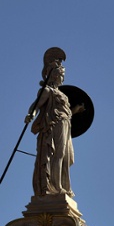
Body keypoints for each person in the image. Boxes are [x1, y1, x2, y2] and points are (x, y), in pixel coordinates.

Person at [25, 57, 84, 198]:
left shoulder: (61, 93)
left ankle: (62, 186)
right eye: (61, 74)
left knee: (64, 157)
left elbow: (64, 111)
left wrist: (75, 111)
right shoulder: (47, 91)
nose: (63, 78)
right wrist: (31, 114)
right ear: (54, 75)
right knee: (56, 155)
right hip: (54, 124)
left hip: (65, 124)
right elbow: (36, 105)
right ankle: (55, 187)